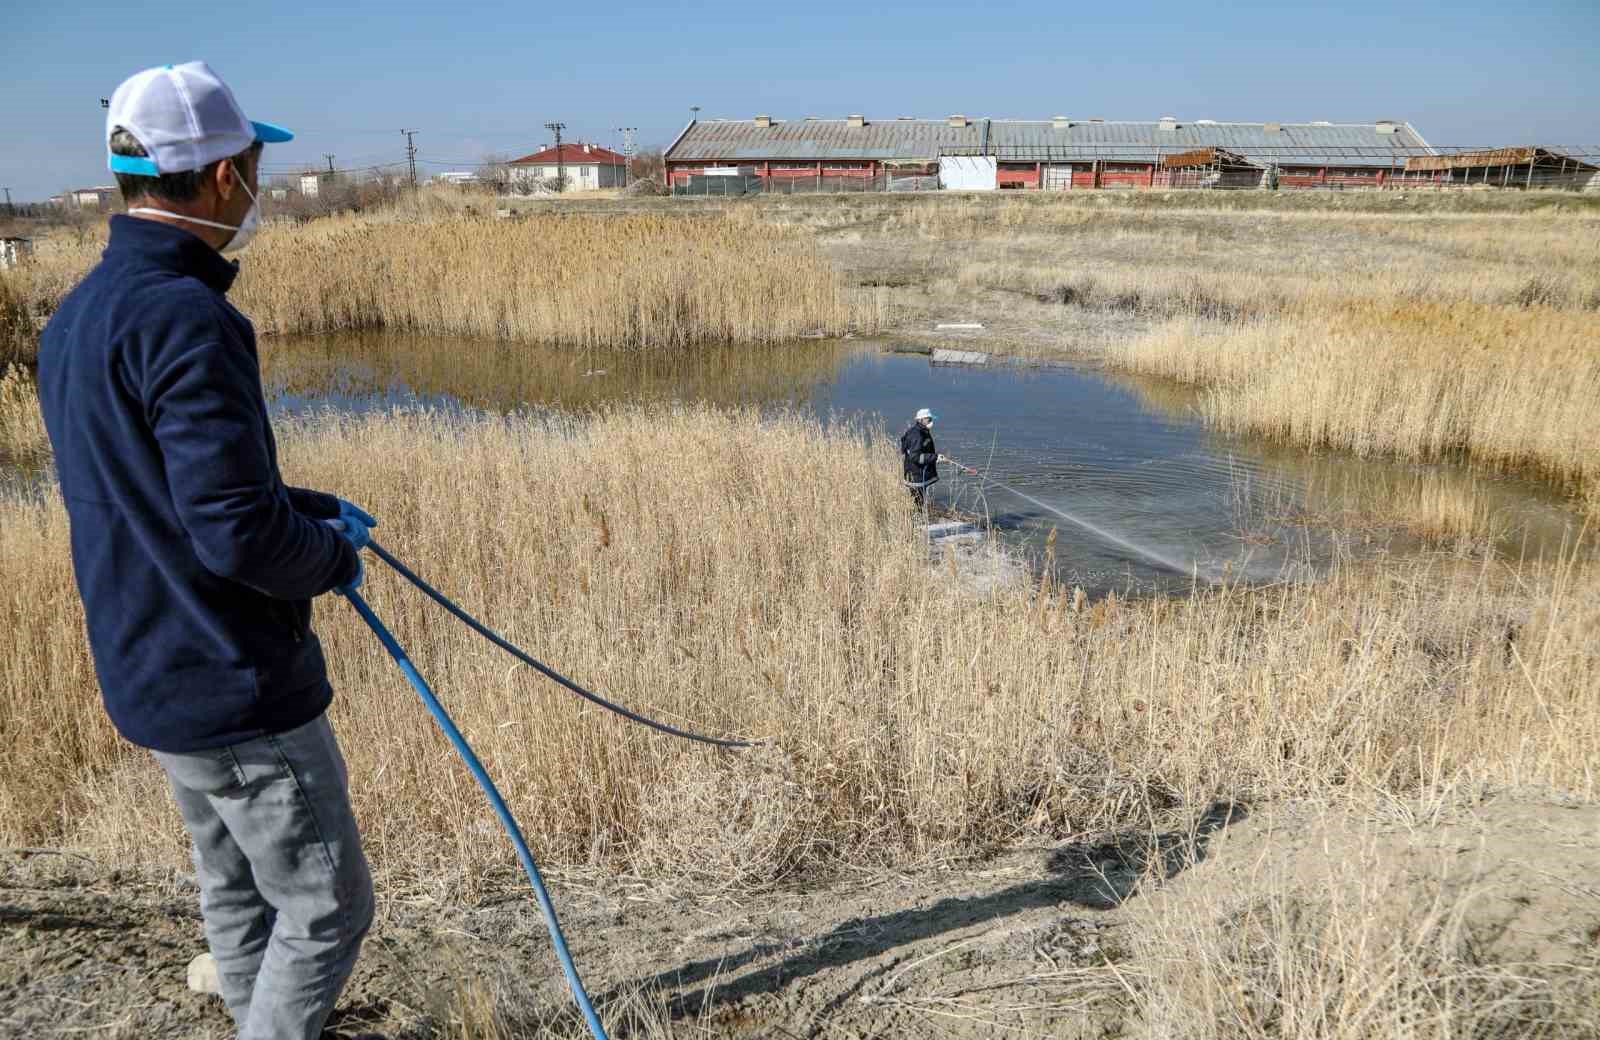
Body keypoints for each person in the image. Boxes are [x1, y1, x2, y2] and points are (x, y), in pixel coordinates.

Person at [35, 62, 375, 1040]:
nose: (257, 187)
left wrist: (306, 508)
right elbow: (233, 531)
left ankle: (250, 1011)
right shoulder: (189, 318)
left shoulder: (80, 314)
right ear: (224, 176)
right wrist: (325, 557)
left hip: (151, 671)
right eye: (254, 164)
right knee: (326, 906)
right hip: (233, 684)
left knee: (233, 889)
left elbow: (153, 491)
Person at [901, 407, 945, 509]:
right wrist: (934, 457)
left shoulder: (921, 431)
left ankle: (917, 520)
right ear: (920, 420)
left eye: (931, 419)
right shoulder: (917, 434)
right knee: (918, 503)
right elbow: (915, 456)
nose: (931, 421)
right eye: (928, 419)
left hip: (916, 473)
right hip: (916, 475)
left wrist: (936, 457)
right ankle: (916, 522)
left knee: (919, 501)